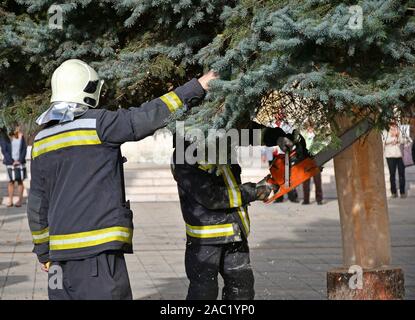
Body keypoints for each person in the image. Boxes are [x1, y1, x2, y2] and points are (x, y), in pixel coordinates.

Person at [26, 59, 216, 300]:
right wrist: (198, 86)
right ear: (88, 89)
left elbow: (36, 204)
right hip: (96, 259)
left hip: (57, 264)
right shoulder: (97, 124)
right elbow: (147, 116)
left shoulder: (42, 140)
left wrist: (44, 252)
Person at [171, 126, 292, 300]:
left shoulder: (221, 140)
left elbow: (248, 131)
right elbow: (211, 197)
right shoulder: (184, 155)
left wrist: (278, 138)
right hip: (206, 240)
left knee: (242, 290)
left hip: (235, 233)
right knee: (204, 292)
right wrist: (254, 192)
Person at [0, 125, 27, 207]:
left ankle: (20, 201)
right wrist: (12, 161)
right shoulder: (4, 136)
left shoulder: (21, 136)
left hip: (20, 162)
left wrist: (19, 160)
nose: (16, 128)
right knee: (11, 182)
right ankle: (10, 201)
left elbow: (24, 149)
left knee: (20, 181)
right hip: (10, 163)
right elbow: (4, 150)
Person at [301, 126, 323, 205]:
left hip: (316, 160)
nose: (310, 128)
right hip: (306, 160)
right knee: (305, 181)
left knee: (317, 181)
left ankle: (319, 199)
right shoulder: (304, 136)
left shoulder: (317, 136)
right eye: (308, 127)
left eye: (311, 127)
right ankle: (306, 200)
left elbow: (321, 147)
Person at [384, 123, 406, 198]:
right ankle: (393, 192)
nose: (394, 128)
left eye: (395, 127)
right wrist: (391, 138)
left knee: (402, 174)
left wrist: (399, 136)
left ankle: (402, 192)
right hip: (390, 156)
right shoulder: (386, 132)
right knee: (392, 174)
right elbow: (384, 141)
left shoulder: (400, 132)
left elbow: (405, 140)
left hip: (400, 156)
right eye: (392, 127)